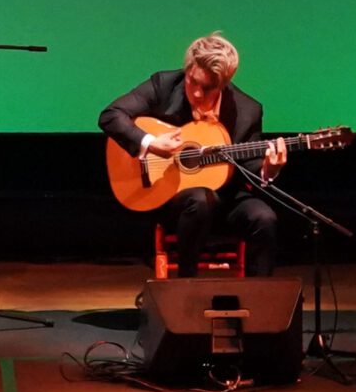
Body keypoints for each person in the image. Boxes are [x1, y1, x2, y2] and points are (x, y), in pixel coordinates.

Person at [99, 32, 286, 274]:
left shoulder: (247, 111)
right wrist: (150, 142)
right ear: (187, 69)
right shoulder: (164, 85)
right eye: (192, 80)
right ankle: (186, 288)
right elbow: (111, 116)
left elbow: (248, 169)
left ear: (223, 83)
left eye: (207, 88)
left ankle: (259, 300)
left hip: (226, 200)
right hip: (171, 199)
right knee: (200, 199)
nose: (197, 93)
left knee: (264, 217)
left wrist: (268, 170)